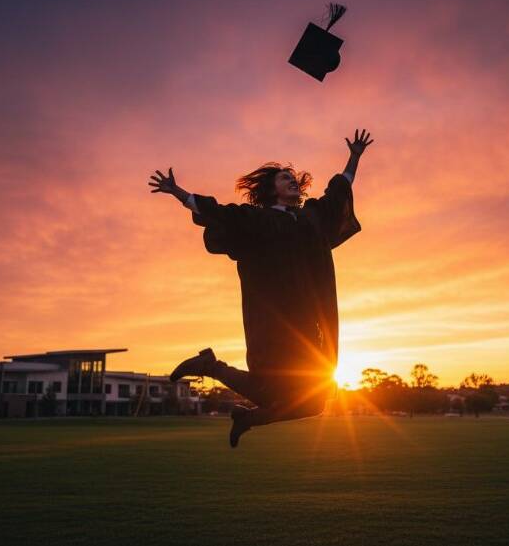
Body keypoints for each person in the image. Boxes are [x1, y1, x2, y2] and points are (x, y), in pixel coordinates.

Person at [148, 129, 373, 447]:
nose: (292, 180)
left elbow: (338, 194)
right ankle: (210, 366)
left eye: (293, 177)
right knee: (272, 385)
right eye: (284, 178)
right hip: (276, 320)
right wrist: (179, 193)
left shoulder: (312, 218)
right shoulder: (258, 218)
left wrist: (354, 157)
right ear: (272, 190)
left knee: (314, 401)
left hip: (311, 322)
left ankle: (245, 413)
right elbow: (219, 213)